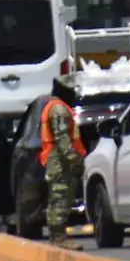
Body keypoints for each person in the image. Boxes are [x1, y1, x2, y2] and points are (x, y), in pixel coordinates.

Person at [39, 76, 86, 251]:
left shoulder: (54, 107)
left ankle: (56, 235)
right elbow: (62, 138)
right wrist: (73, 158)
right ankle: (59, 237)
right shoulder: (58, 109)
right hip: (60, 160)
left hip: (56, 158)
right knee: (61, 196)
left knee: (57, 196)